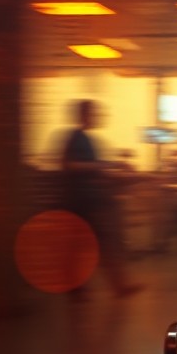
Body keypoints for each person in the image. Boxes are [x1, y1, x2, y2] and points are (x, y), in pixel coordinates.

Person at [60, 99, 142, 298]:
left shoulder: (83, 138)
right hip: (83, 201)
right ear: (85, 115)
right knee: (99, 243)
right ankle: (114, 287)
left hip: (88, 200)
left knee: (91, 245)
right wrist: (104, 166)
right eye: (95, 113)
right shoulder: (76, 138)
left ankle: (91, 288)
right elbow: (71, 165)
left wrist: (110, 166)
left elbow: (89, 166)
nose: (98, 117)